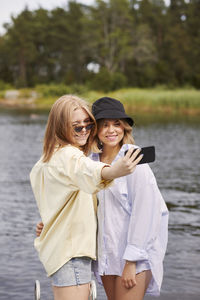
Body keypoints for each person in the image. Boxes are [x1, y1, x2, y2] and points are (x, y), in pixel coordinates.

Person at [30, 94, 142, 300]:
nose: (84, 131)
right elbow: (89, 170)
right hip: (72, 254)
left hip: (60, 252)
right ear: (60, 127)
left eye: (88, 125)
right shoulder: (69, 156)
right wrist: (115, 170)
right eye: (76, 127)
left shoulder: (46, 159)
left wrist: (50, 222)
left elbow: (58, 200)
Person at [89, 97, 169, 300]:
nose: (111, 130)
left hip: (134, 257)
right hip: (107, 257)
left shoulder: (135, 162)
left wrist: (131, 261)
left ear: (125, 128)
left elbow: (145, 213)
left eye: (117, 124)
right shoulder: (91, 162)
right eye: (104, 124)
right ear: (96, 129)